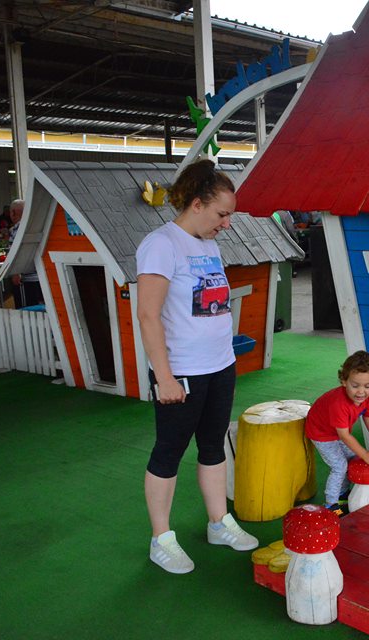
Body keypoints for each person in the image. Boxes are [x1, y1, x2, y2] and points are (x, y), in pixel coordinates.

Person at [135, 159, 257, 575]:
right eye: (222, 214)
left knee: (212, 445)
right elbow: (148, 315)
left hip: (220, 365)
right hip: (181, 371)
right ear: (197, 204)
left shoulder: (209, 246)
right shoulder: (161, 244)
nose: (226, 223)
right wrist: (165, 377)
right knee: (169, 452)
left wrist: (225, 360)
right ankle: (161, 539)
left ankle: (218, 523)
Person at [305, 350, 369, 516]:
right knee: (340, 466)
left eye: (367, 386)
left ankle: (342, 494)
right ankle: (331, 504)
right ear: (344, 381)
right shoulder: (339, 404)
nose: (361, 392)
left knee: (351, 458)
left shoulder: (365, 398)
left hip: (338, 430)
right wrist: (365, 454)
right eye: (355, 385)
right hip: (321, 433)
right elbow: (344, 436)